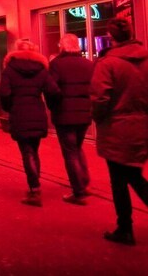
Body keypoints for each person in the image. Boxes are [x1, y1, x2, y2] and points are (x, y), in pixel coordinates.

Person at [90, 18, 148, 246]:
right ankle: (124, 227)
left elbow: (100, 98)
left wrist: (98, 118)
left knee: (121, 179)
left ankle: (125, 228)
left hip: (117, 127)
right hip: (142, 125)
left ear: (111, 37)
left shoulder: (108, 63)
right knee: (131, 173)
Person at [0, 39, 60, 207]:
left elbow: (4, 93)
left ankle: (34, 188)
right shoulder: (41, 69)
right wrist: (50, 105)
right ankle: (35, 183)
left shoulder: (10, 69)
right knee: (34, 149)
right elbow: (53, 90)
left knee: (27, 151)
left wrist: (9, 107)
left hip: (19, 112)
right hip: (36, 111)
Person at [48, 33, 94, 205]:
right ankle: (84, 181)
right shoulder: (88, 64)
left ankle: (78, 191)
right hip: (84, 113)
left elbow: (51, 89)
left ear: (62, 46)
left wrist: (54, 107)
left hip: (64, 114)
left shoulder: (57, 64)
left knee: (70, 152)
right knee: (77, 147)